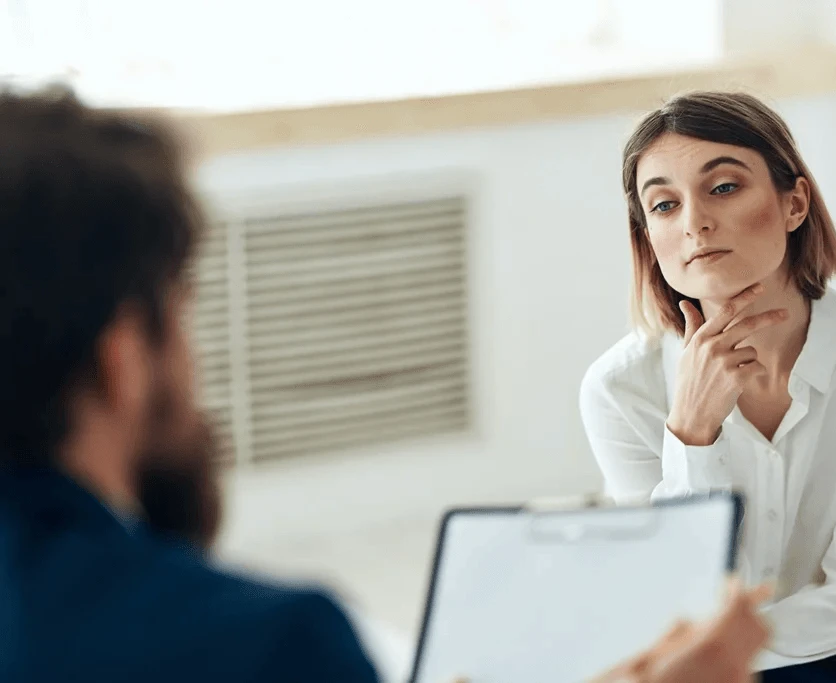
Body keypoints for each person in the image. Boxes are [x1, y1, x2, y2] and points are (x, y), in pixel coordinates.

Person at [0, 88, 771, 683]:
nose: (697, 224)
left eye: (724, 187)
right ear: (124, 358)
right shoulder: (270, 643)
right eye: (182, 311)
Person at [580, 91, 836, 682]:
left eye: (724, 187)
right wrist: (691, 434)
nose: (695, 222)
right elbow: (667, 589)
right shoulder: (617, 389)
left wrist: (724, 650)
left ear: (794, 203)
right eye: (663, 205)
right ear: (647, 235)